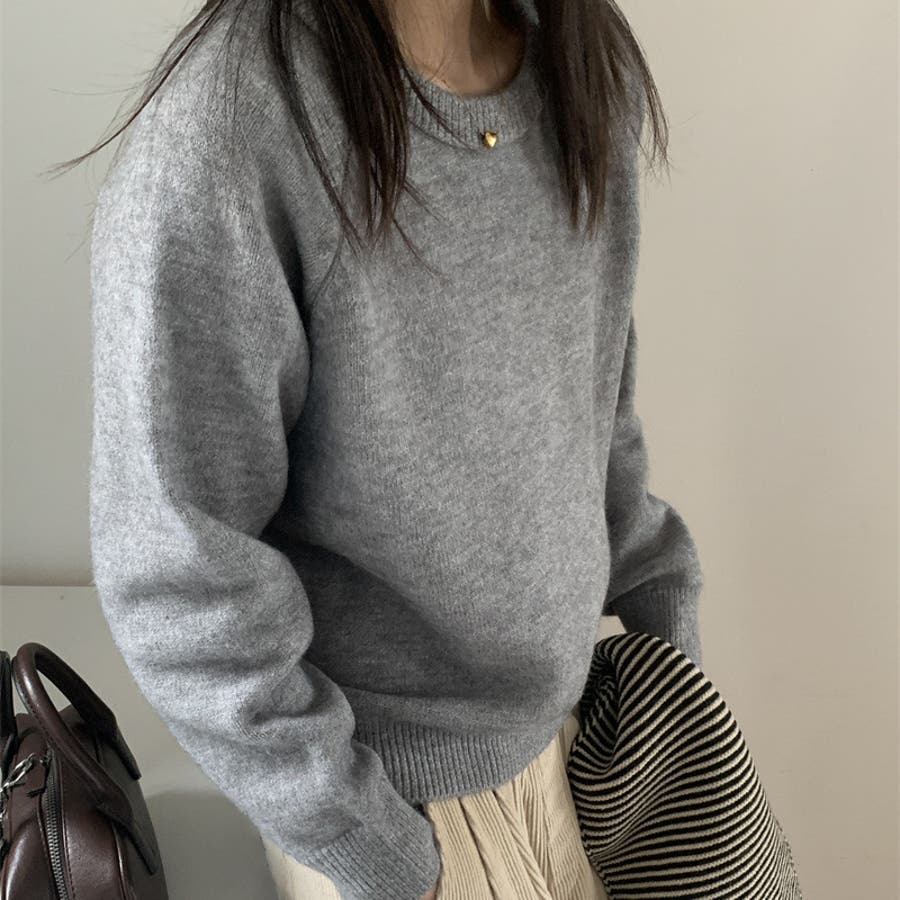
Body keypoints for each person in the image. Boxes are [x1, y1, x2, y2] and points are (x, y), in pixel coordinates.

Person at [71, 0, 705, 897]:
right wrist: (384, 853)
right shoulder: (229, 135)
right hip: (393, 802)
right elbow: (179, 570)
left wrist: (668, 651)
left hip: (588, 747)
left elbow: (595, 405)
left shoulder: (581, 69)